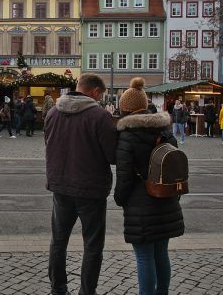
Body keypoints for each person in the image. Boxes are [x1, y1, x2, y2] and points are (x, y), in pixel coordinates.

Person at [45, 73, 117, 295]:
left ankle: (58, 288)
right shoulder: (99, 116)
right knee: (93, 245)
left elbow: (48, 144)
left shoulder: (52, 112)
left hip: (60, 185)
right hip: (90, 188)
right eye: (101, 95)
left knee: (58, 241)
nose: (101, 99)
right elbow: (113, 155)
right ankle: (87, 291)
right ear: (95, 91)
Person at [115, 78, 184, 295]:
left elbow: (124, 176)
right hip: (166, 197)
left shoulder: (127, 135)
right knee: (161, 254)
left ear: (125, 108)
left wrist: (120, 199)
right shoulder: (165, 131)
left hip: (140, 202)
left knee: (144, 256)